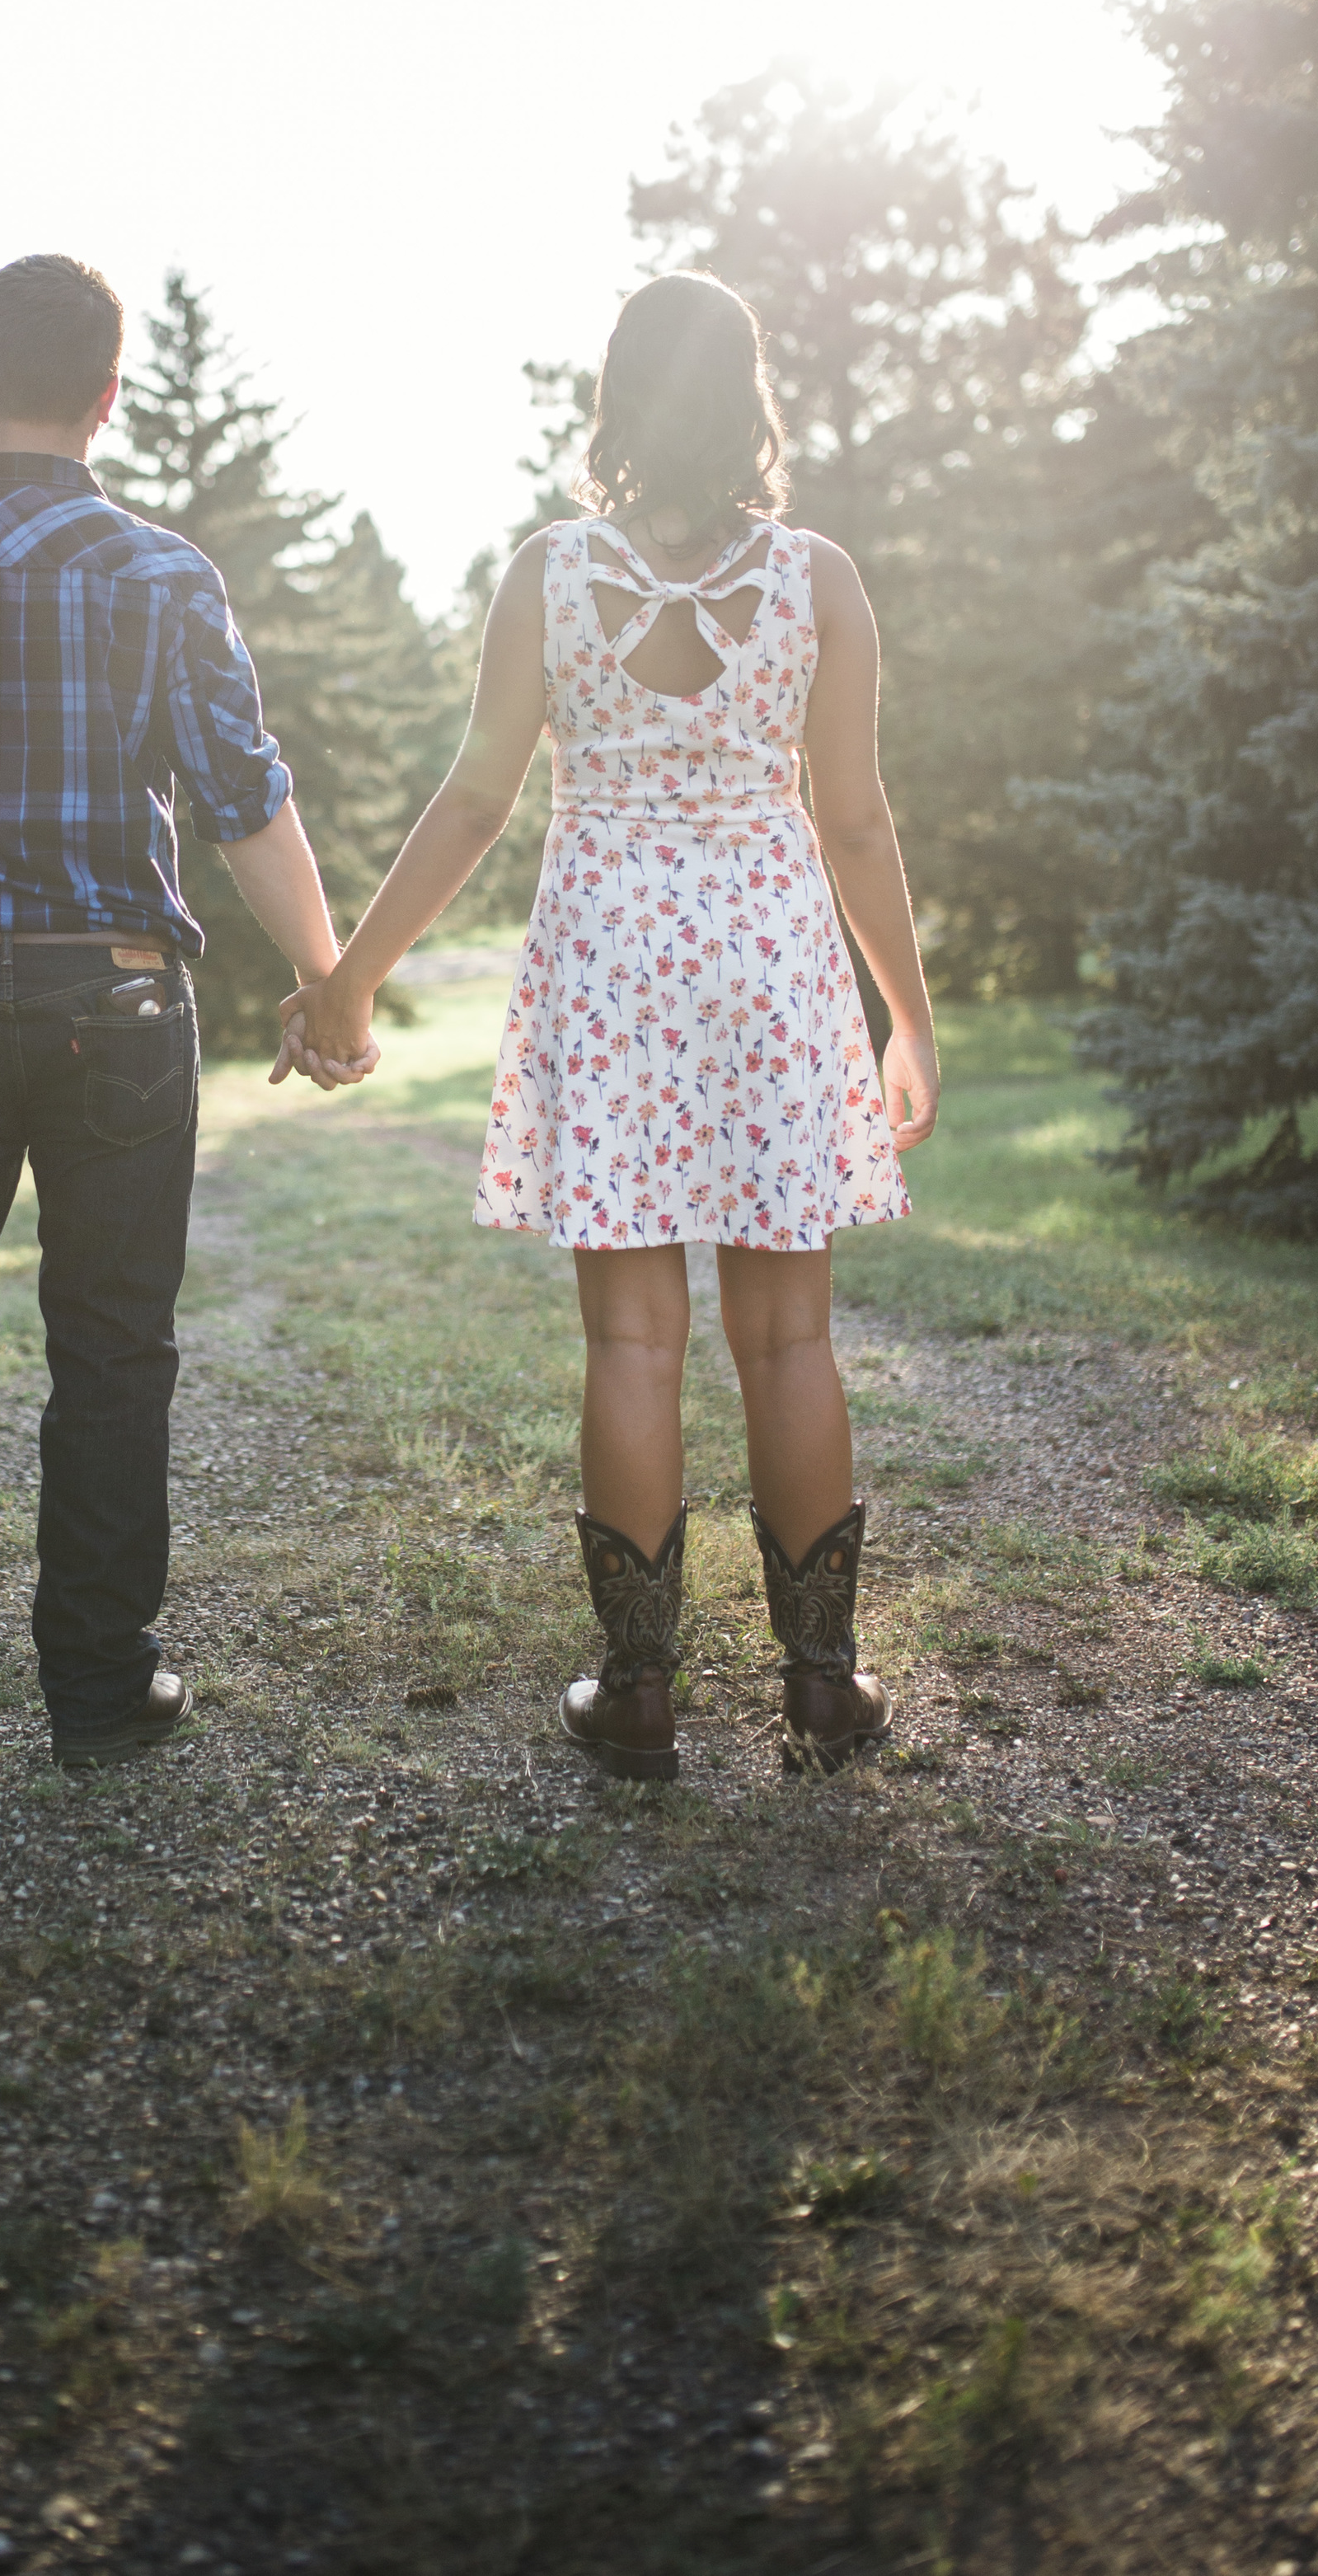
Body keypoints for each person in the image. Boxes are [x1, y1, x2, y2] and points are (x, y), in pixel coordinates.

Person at [279, 270, 936, 1781]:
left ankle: (639, 1698)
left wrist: (354, 973)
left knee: (633, 1335)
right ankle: (821, 1690)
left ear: (618, 405)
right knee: (793, 1336)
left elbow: (473, 800)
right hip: (773, 962)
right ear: (750, 404)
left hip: (616, 963)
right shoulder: (819, 580)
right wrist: (907, 1013)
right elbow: (852, 819)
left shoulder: (552, 575)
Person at [0, 254, 366, 1775]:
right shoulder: (161, 575)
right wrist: (325, 975)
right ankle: (100, 1692)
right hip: (118, 996)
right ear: (109, 398)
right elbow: (247, 804)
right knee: (112, 1352)